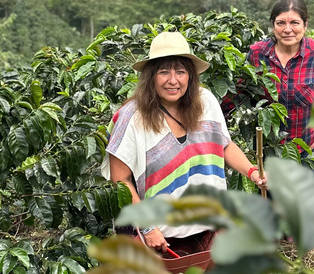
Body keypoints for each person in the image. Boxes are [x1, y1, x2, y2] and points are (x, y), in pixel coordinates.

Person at [102, 31, 267, 257]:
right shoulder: (132, 117)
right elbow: (120, 180)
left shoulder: (205, 101)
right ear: (151, 77)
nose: (173, 80)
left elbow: (224, 145)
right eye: (163, 72)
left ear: (190, 76)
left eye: (180, 71)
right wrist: (147, 227)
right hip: (151, 225)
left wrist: (252, 171)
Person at [225, 0, 314, 157]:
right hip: (268, 146)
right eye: (281, 23)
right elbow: (239, 93)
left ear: (305, 25)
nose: (288, 29)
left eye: (294, 23)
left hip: (307, 145)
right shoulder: (257, 53)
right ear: (273, 25)